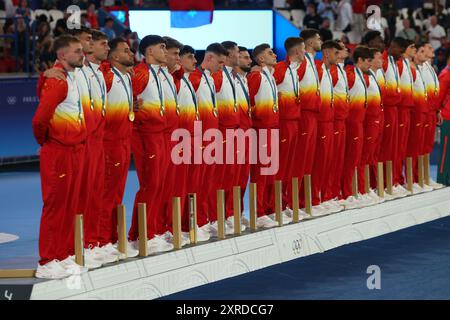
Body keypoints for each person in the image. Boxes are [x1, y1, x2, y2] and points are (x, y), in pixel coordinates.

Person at [32, 35, 88, 279]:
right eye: (77, 51)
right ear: (62, 55)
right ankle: (47, 260)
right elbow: (40, 119)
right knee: (56, 205)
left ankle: (63, 254)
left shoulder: (71, 77)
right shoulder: (57, 81)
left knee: (70, 205)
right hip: (59, 151)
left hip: (73, 149)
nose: (82, 54)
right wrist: (47, 141)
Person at [128, 35, 174, 253]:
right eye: (161, 47)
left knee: (161, 184)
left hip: (163, 134)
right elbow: (126, 101)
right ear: (148, 52)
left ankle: (153, 228)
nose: (165, 51)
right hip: (147, 136)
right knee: (151, 184)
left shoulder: (162, 74)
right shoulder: (140, 73)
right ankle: (141, 234)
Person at [98, 37, 139, 258]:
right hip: (109, 143)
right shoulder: (107, 75)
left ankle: (112, 238)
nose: (131, 53)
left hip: (124, 141)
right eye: (125, 51)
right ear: (113, 57)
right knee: (106, 194)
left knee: (117, 194)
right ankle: (101, 241)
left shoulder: (125, 77)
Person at [188, 43, 227, 236]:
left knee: (208, 182)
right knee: (196, 182)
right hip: (198, 138)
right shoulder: (194, 78)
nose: (222, 66)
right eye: (220, 62)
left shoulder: (209, 79)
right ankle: (192, 223)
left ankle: (203, 220)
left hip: (211, 137)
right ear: (209, 58)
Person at [177, 44, 211, 242]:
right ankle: (182, 225)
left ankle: (191, 222)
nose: (195, 61)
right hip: (182, 138)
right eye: (190, 57)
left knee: (196, 183)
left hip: (195, 136)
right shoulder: (180, 82)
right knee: (183, 184)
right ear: (179, 60)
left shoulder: (189, 81)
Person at [211, 41, 244, 234]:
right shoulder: (218, 76)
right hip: (222, 131)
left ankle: (229, 213)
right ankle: (216, 215)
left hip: (235, 130)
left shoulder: (234, 76)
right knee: (221, 177)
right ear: (230, 54)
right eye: (238, 52)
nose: (239, 55)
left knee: (232, 176)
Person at [272, 37, 305, 222]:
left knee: (290, 166)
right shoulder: (281, 69)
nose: (305, 54)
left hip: (294, 121)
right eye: (303, 50)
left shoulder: (294, 71)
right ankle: (276, 205)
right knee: (281, 166)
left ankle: (284, 203)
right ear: (296, 51)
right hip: (283, 123)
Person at [247, 43, 279, 229]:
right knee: (260, 172)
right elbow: (247, 101)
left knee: (270, 172)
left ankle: (267, 208)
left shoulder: (269, 77)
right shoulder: (256, 77)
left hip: (272, 128)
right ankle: (257, 212)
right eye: (269, 53)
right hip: (261, 129)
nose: (274, 55)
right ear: (260, 59)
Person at [291, 29, 323, 215]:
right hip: (303, 116)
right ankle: (295, 202)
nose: (321, 40)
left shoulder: (311, 62)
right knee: (300, 161)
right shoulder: (301, 64)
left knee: (310, 161)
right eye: (318, 38)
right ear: (309, 43)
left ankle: (307, 200)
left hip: (313, 115)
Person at [310, 40, 344, 214]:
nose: (339, 56)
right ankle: (316, 199)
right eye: (336, 53)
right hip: (322, 120)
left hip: (330, 120)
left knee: (329, 161)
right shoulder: (316, 68)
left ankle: (326, 195)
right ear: (327, 53)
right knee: (321, 161)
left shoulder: (328, 71)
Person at [340, 46, 371, 207]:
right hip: (351, 122)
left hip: (359, 121)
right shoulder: (350, 75)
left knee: (357, 159)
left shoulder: (361, 76)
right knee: (350, 159)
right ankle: (345, 193)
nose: (370, 65)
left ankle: (354, 190)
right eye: (368, 61)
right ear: (359, 60)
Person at [323, 40, 350, 202]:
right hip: (333, 119)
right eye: (341, 48)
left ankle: (336, 193)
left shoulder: (341, 70)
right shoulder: (332, 71)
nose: (345, 49)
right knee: (331, 160)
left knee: (338, 159)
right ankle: (328, 194)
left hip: (341, 118)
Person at [357, 47, 385, 202]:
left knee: (372, 154)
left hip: (376, 118)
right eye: (378, 57)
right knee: (364, 155)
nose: (382, 60)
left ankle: (368, 186)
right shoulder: (365, 77)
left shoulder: (372, 76)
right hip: (367, 120)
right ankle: (362, 188)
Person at [422, 43, 445, 189]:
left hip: (432, 111)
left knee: (427, 146)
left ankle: (425, 177)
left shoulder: (431, 67)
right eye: (428, 48)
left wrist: (437, 111)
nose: (432, 50)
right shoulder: (422, 68)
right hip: (424, 112)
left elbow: (435, 93)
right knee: (421, 146)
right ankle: (419, 178)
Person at [234, 46, 253, 219]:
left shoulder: (244, 80)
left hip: (247, 133)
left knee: (242, 176)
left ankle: (236, 213)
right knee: (232, 177)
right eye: (245, 57)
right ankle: (226, 214)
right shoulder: (231, 79)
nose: (250, 60)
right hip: (235, 133)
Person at [395, 39, 415, 190]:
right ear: (403, 50)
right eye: (411, 47)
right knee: (398, 146)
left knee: (403, 147)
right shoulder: (400, 65)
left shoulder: (407, 65)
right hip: (400, 110)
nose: (414, 49)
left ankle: (402, 179)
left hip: (407, 109)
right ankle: (396, 180)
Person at [437, 47, 450, 185]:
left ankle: (448, 178)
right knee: (446, 150)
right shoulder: (445, 74)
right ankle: (442, 180)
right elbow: (439, 97)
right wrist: (437, 112)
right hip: (447, 117)